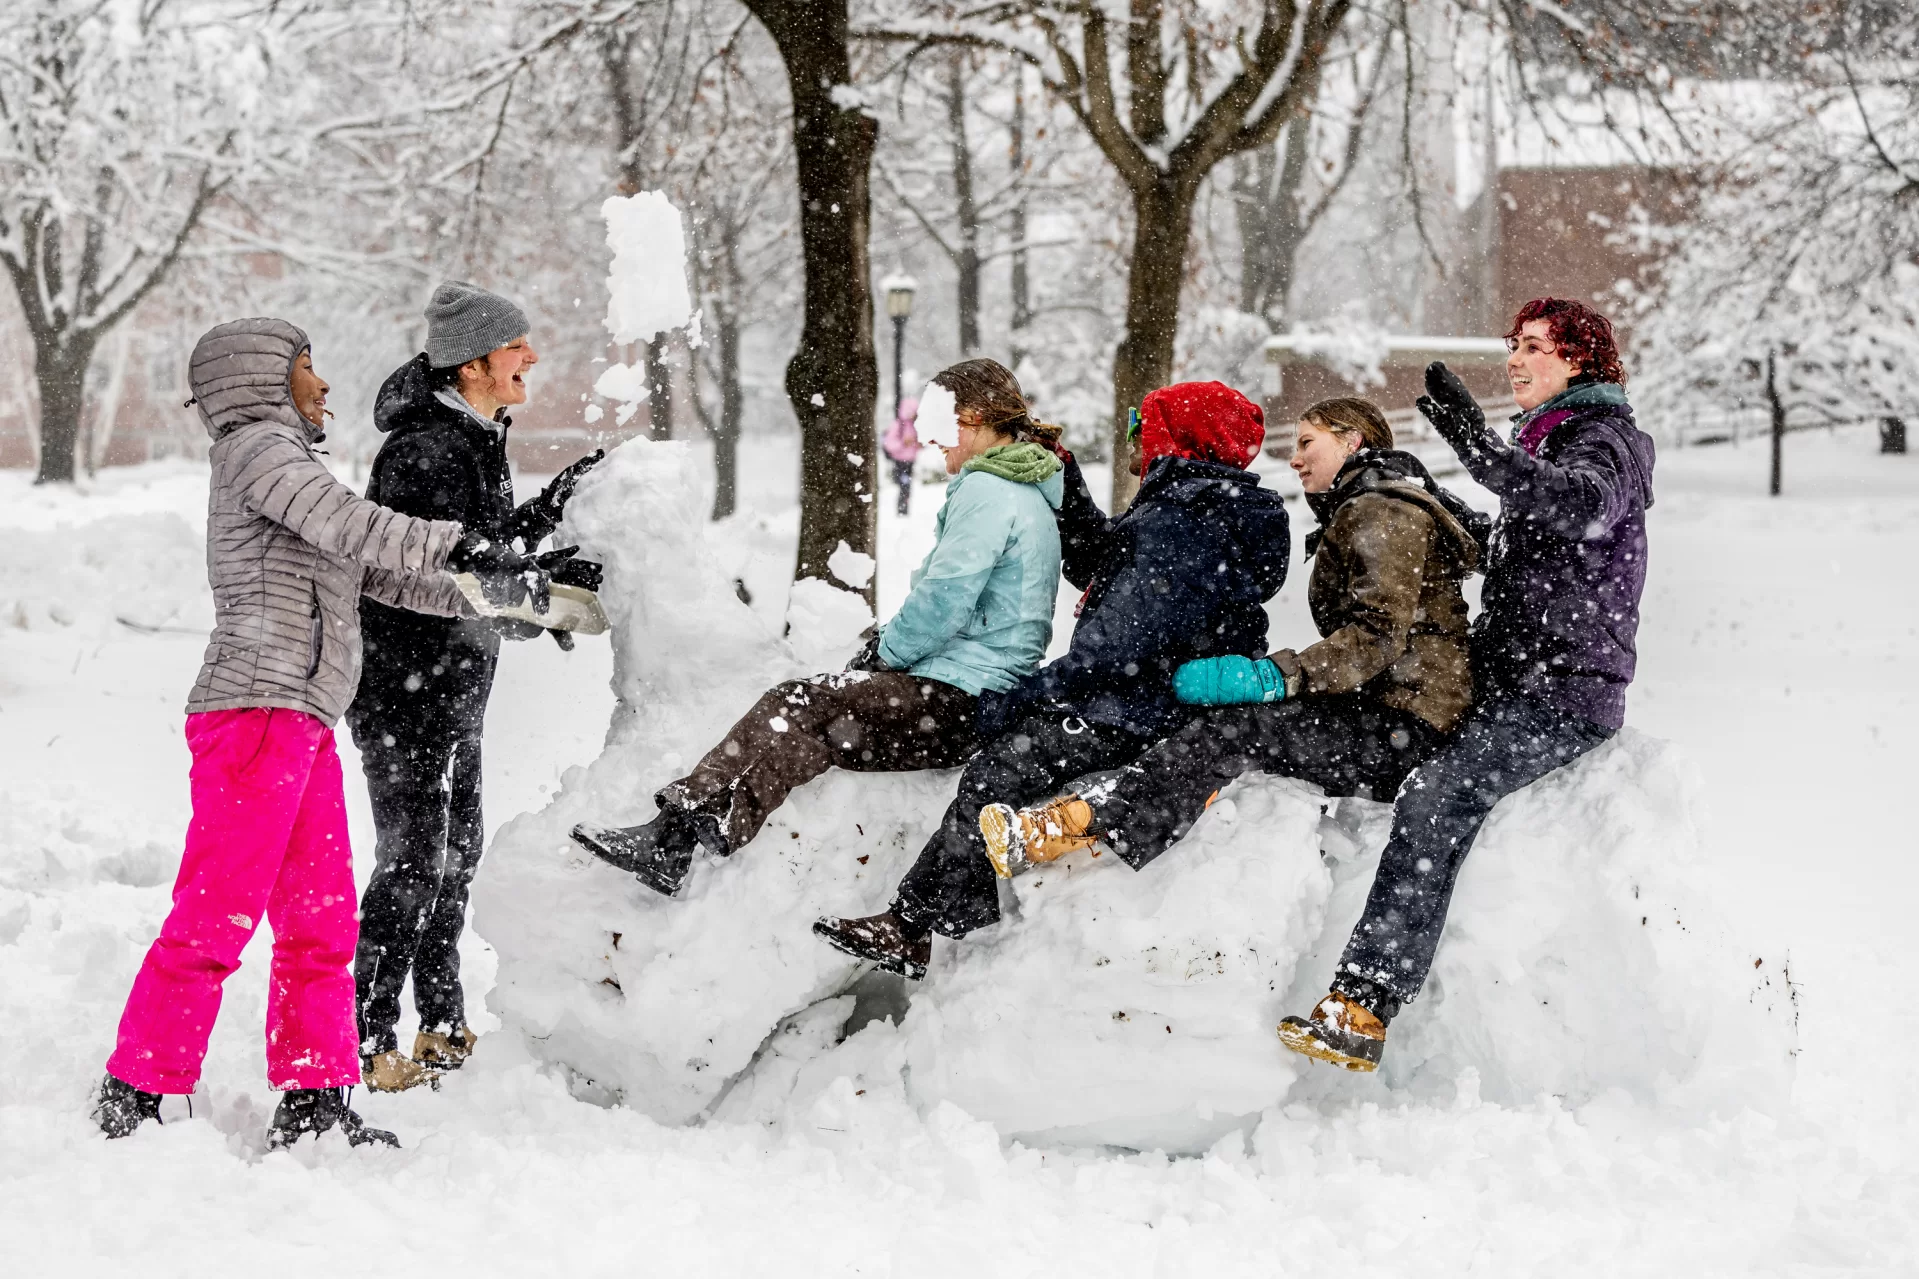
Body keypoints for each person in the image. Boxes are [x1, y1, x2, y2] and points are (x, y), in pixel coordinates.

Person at [92, 319, 547, 1147]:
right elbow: (360, 526)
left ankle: (318, 1096)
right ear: (263, 378)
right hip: (252, 711)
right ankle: (137, 1087)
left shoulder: (290, 463)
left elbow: (379, 572)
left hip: (300, 718)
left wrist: (512, 594)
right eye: (307, 366)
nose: (324, 382)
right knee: (217, 915)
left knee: (322, 920)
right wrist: (471, 547)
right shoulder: (255, 448)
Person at [1276, 297, 1655, 1072]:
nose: (1514, 359)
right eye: (1511, 344)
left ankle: (1362, 1004)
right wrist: (1426, 494)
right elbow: (1515, 550)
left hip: (1564, 693)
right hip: (1508, 675)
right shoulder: (1548, 446)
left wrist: (1480, 454)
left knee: (1437, 792)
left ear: (1580, 359)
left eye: (1534, 346)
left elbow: (1583, 509)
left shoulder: (1606, 443)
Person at [814, 381, 1290, 979]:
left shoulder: (1187, 520)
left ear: (1179, 437)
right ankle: (936, 916)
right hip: (1148, 688)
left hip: (1146, 702)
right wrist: (1068, 479)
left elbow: (1109, 650)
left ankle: (915, 924)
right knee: (1008, 755)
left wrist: (1015, 701)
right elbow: (1102, 561)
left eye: (1145, 427)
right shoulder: (1189, 507)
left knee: (1003, 765)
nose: (1137, 442)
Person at [570, 358, 1065, 898]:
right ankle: (687, 835)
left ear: (972, 418)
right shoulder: (1026, 490)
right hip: (981, 696)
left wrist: (885, 655)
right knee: (820, 722)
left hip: (961, 697)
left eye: (939, 424)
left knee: (798, 703)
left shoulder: (991, 491)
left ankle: (675, 836)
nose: (928, 439)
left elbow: (944, 600)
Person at [977, 396, 1485, 891]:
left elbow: (1378, 634)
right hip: (1391, 710)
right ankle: (1084, 818)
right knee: (1233, 726)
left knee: (1237, 730)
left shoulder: (1383, 509)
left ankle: (1075, 827)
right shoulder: (1365, 505)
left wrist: (1277, 676)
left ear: (1352, 442)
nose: (1295, 456)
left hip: (1408, 723)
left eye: (1308, 441)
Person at [348, 281, 605, 1093]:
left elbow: (481, 547)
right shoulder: (424, 450)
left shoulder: (472, 435)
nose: (530, 356)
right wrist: (531, 585)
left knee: (454, 858)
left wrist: (551, 515)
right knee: (414, 860)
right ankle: (371, 1033)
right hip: (405, 690)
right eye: (516, 345)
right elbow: (440, 572)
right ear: (473, 363)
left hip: (453, 684)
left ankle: (442, 1022)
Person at [883, 396, 921, 515]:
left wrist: (918, 444)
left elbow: (919, 443)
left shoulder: (915, 425)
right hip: (900, 461)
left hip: (910, 461)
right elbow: (889, 443)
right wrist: (903, 443)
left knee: (907, 486)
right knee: (904, 485)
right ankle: (901, 510)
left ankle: (904, 510)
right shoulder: (898, 425)